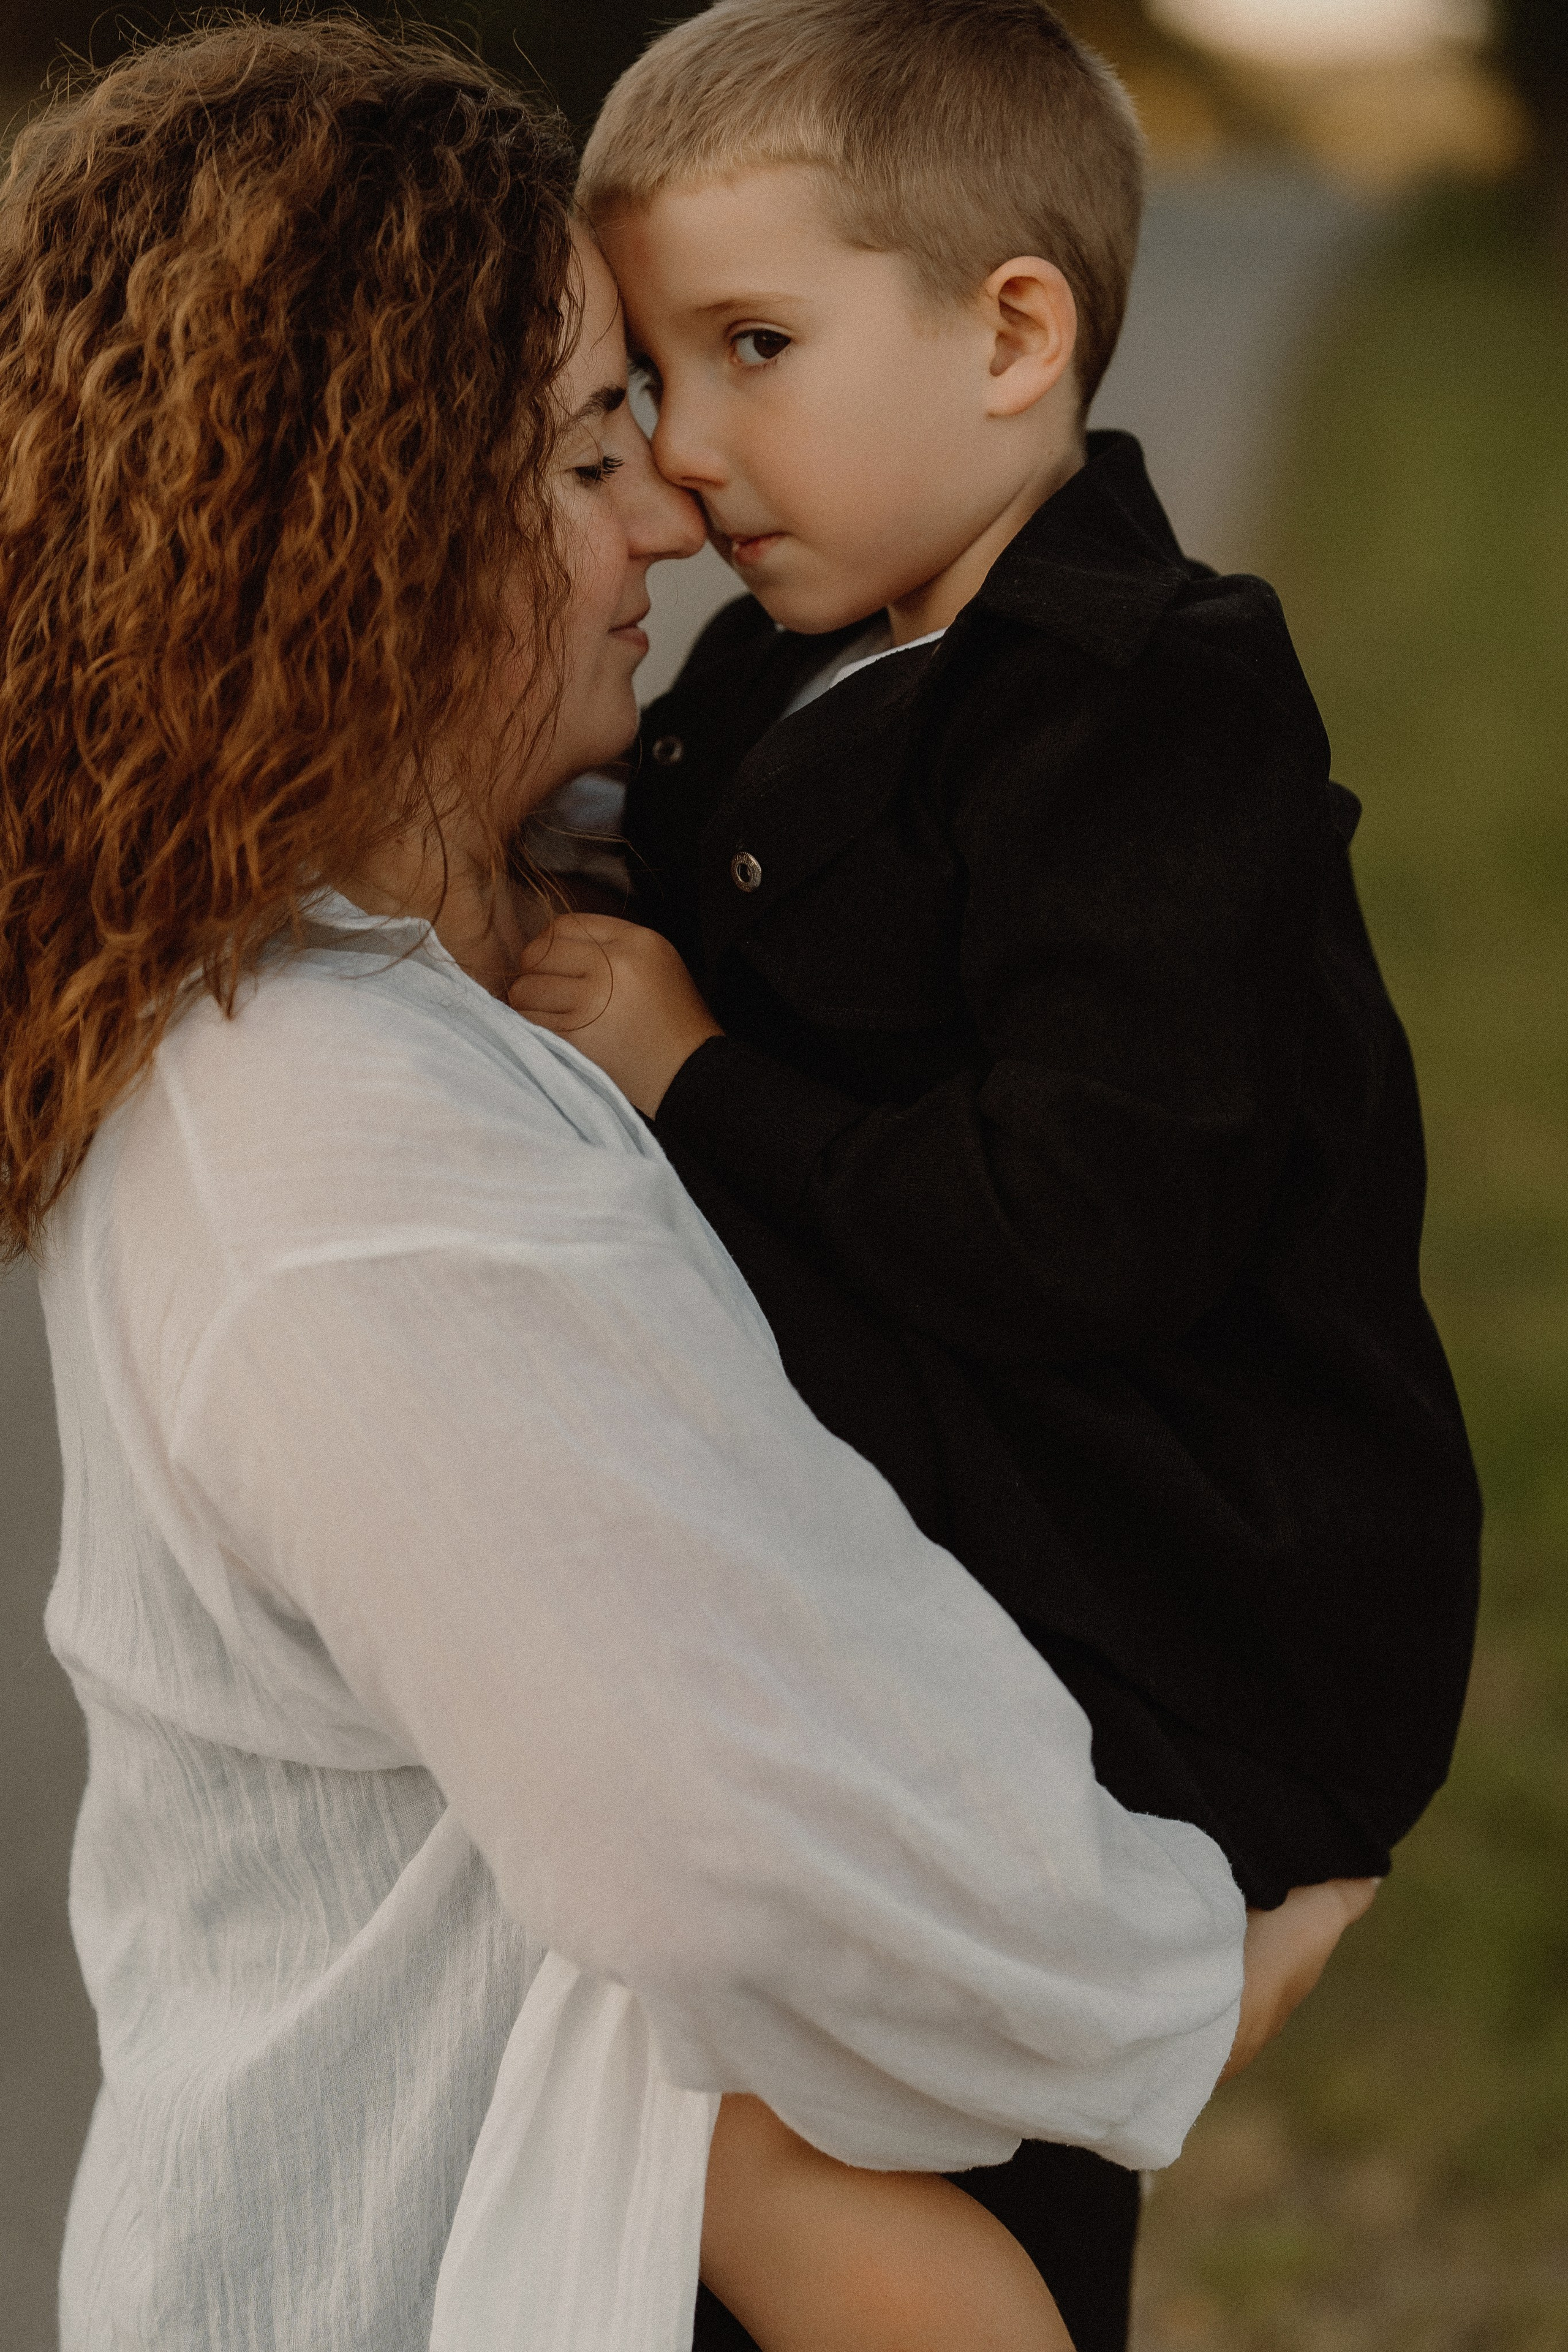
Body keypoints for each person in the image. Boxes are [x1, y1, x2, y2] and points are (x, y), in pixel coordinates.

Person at [0, 19, 1365, 2352]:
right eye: (582, 448)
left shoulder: (415, 966)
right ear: (360, 533)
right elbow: (731, 1842)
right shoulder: (348, 1151)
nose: (670, 511)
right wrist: (1193, 1968)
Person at [511, 1, 1482, 2340]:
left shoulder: (1147, 701)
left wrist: (695, 1074)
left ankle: (1177, 1999)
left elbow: (1087, 1223)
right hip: (991, 1537)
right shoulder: (799, 657)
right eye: (651, 376)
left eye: (755, 348)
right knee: (771, 2121)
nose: (689, 454)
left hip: (1179, 1592)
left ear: (1014, 334)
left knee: (910, 2130)